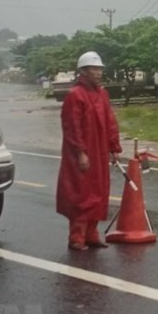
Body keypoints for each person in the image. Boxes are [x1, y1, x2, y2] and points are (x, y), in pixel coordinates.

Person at [56, 52, 122, 251]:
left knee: (99, 192)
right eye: (94, 69)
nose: (98, 72)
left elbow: (110, 122)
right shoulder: (75, 95)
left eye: (100, 69)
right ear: (83, 71)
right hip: (81, 153)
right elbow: (72, 126)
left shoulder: (102, 94)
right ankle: (77, 237)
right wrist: (80, 152)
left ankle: (92, 235)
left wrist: (114, 146)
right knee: (81, 193)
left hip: (100, 150)